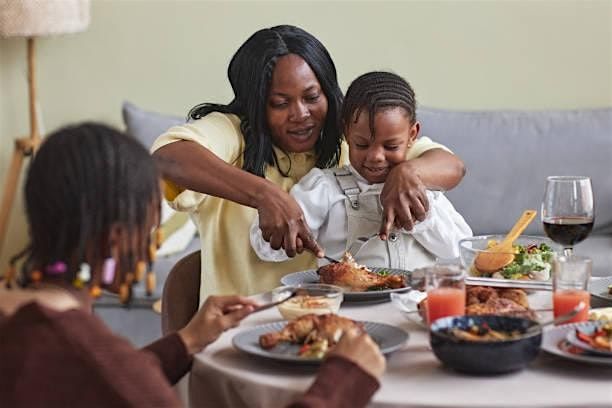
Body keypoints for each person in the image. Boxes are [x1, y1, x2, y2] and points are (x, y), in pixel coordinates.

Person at [0, 123, 385, 408]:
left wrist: (184, 342)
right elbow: (107, 378)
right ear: (115, 241)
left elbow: (79, 386)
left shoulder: (21, 325)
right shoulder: (103, 365)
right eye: (150, 229)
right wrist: (341, 383)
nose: (152, 246)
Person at [152, 24, 465, 300]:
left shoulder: (357, 139)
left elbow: (450, 165)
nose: (300, 114)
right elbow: (168, 157)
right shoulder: (232, 133)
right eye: (280, 103)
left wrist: (410, 172)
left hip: (334, 325)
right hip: (240, 327)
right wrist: (264, 194)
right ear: (256, 103)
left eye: (312, 97)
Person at [251, 71, 472, 270]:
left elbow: (460, 252)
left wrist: (423, 217)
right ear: (346, 132)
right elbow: (266, 249)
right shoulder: (324, 187)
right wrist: (282, 236)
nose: (375, 156)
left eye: (390, 146)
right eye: (362, 145)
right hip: (348, 305)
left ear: (412, 135)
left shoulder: (424, 189)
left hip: (418, 304)